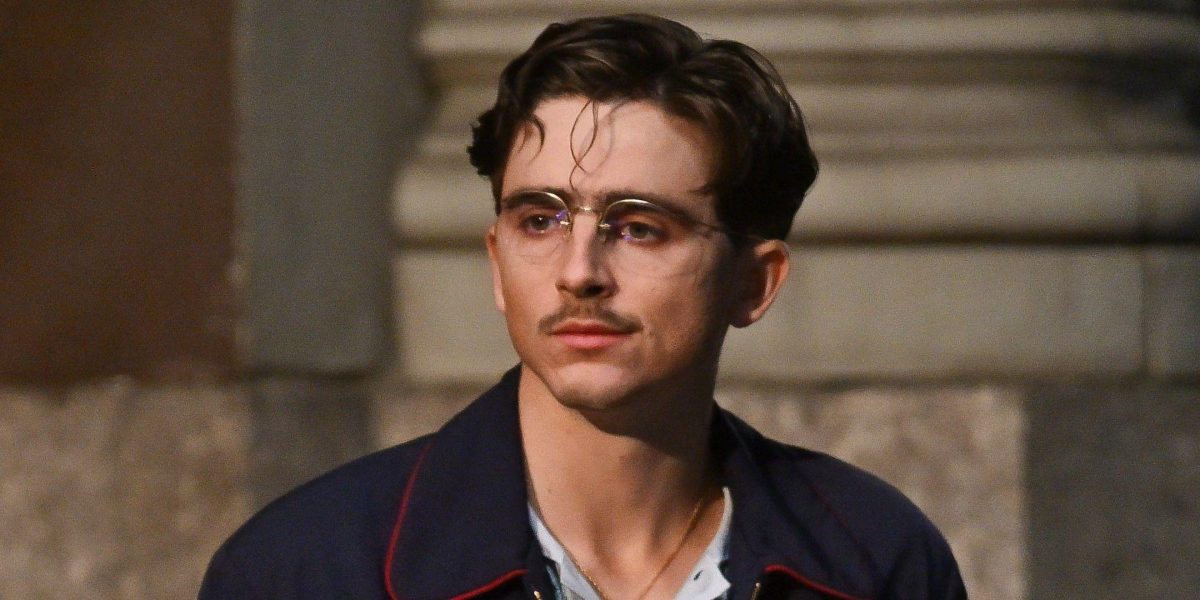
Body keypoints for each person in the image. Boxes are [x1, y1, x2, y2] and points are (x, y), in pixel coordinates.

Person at [200, 13, 967, 600]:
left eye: (640, 228)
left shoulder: (873, 559)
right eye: (541, 220)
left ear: (754, 283)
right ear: (497, 262)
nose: (579, 273)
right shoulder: (309, 569)